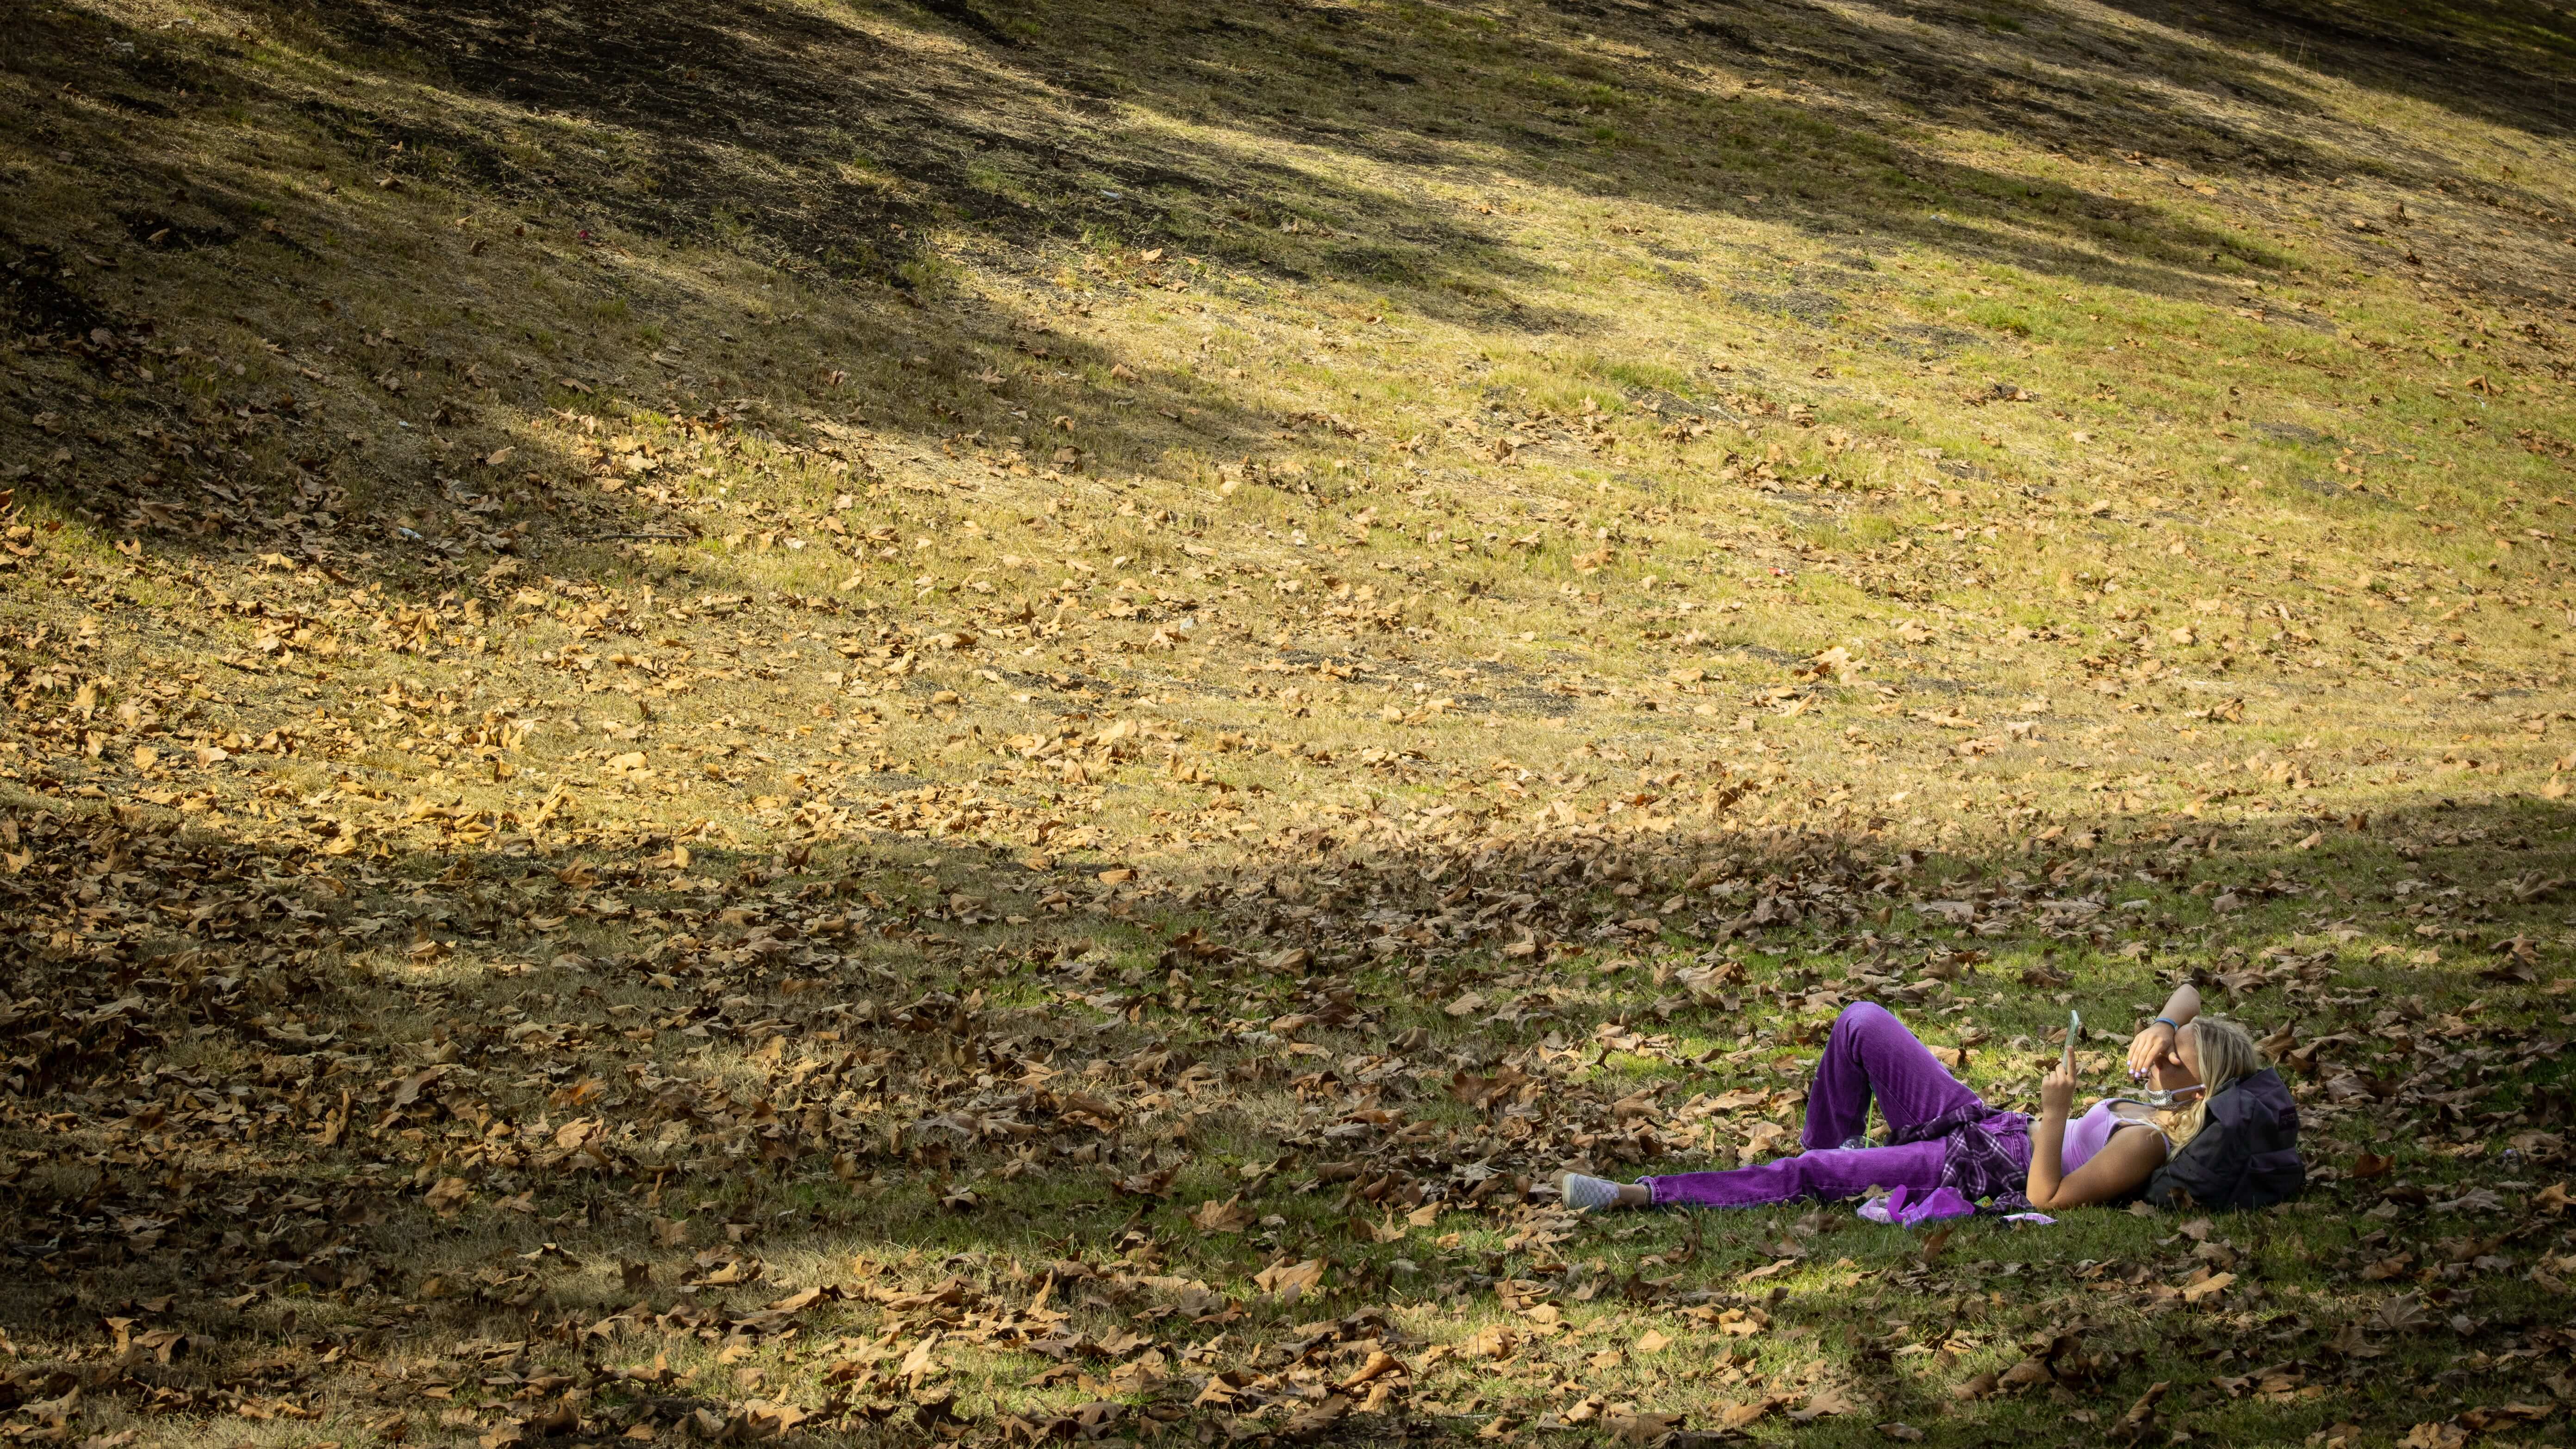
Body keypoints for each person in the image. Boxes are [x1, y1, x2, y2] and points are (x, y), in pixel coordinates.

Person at [1558, 985, 2301, 1213]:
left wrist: (2053, 1113)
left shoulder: (2147, 1142)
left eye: (2172, 1055)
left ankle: (1636, 1194)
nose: (2155, 1054)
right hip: (1985, 1123)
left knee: (1806, 1173)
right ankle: (1844, 1151)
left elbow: (2046, 1199)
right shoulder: (2156, 1087)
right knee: (1861, 1022)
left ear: (2199, 1086)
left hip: (1974, 1163)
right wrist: (2168, 1020)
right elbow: (2190, 988)